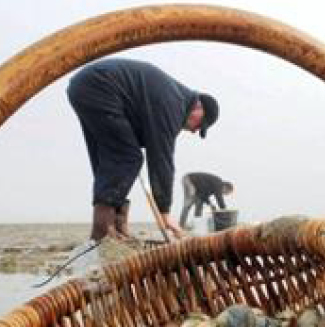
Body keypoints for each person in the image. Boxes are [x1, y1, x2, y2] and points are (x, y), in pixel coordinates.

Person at [66, 58, 218, 244]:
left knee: (111, 156)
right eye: (200, 125)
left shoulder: (172, 98)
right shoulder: (174, 104)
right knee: (128, 157)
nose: (195, 131)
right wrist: (165, 212)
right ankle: (102, 231)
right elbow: (161, 158)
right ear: (198, 107)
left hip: (86, 85)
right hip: (100, 84)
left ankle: (117, 227)